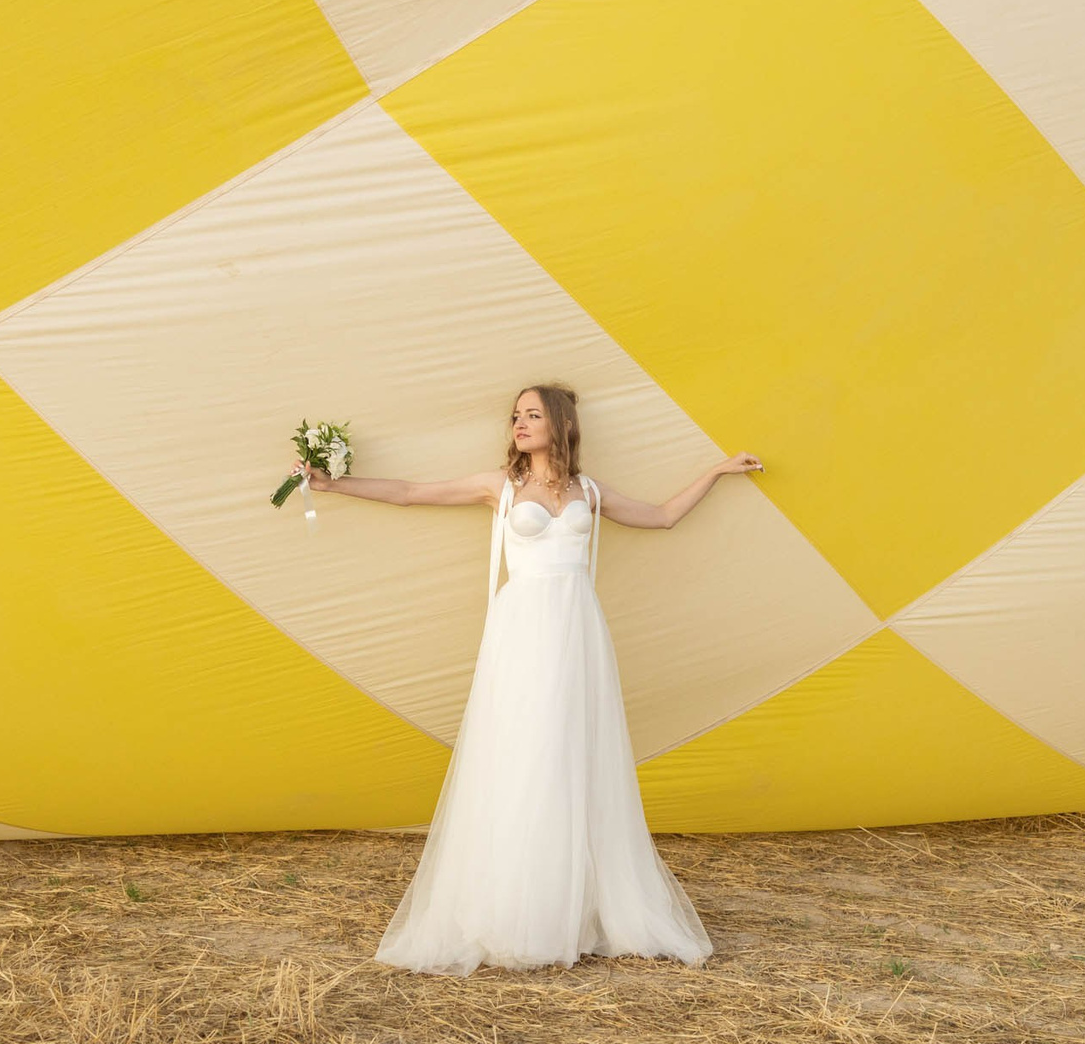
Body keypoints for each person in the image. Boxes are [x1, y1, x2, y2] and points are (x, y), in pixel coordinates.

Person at [291, 383, 763, 975]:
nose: (519, 423)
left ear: (560, 424)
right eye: (516, 415)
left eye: (532, 414)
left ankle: (570, 905)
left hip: (578, 632)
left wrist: (716, 471)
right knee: (523, 753)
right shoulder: (502, 486)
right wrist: (334, 484)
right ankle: (515, 908)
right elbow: (411, 493)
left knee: (571, 755)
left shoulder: (589, 492)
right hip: (522, 632)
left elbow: (662, 517)